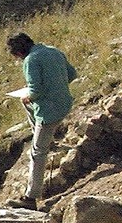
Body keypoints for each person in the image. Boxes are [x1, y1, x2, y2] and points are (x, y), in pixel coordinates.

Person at [6, 32, 77, 210]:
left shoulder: (30, 61)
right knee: (28, 106)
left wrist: (29, 96)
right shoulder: (53, 51)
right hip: (65, 103)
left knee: (37, 153)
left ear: (19, 53)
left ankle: (30, 198)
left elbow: (35, 90)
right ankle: (45, 138)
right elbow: (72, 74)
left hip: (49, 112)